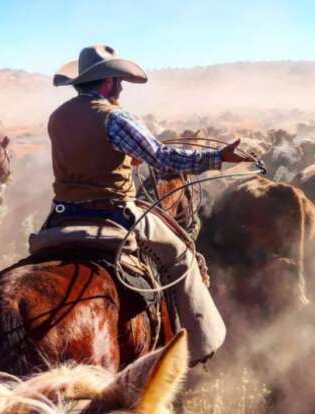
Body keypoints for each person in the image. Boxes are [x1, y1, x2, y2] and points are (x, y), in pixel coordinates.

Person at [46, 44, 252, 364]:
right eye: (119, 81)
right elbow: (163, 158)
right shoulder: (114, 117)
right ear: (107, 82)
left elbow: (87, 156)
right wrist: (218, 157)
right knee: (182, 255)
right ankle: (200, 345)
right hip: (113, 211)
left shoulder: (57, 117)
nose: (121, 88)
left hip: (61, 215)